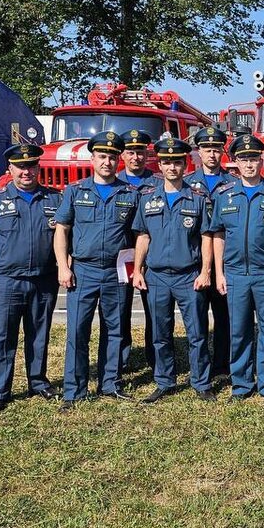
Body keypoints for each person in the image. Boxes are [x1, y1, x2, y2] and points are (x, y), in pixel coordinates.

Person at [0, 143, 62, 413]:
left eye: (31, 165)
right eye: (20, 167)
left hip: (44, 279)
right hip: (8, 280)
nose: (26, 171)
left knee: (39, 334)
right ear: (9, 169)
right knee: (2, 336)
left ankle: (37, 380)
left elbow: (64, 234)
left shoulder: (54, 200)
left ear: (38, 167)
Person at [54, 132, 140, 411]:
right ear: (92, 159)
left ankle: (110, 384)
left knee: (114, 329)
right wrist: (63, 266)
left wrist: (135, 269)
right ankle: (74, 391)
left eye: (112, 157)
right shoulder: (75, 191)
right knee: (77, 331)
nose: (107, 162)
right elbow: (62, 230)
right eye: (102, 156)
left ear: (119, 160)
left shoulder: (130, 194)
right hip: (83, 271)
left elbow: (139, 235)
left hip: (116, 272)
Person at [207, 134, 264, 401]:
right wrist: (219, 273)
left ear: (261, 161)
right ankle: (242, 384)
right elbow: (217, 235)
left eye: (254, 158)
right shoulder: (225, 195)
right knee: (239, 331)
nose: (249, 164)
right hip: (235, 275)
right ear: (235, 162)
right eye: (244, 159)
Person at [130, 136, 216, 404]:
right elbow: (143, 236)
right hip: (156, 276)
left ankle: (201, 382)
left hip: (189, 275)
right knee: (159, 332)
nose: (172, 167)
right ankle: (164, 381)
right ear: (161, 165)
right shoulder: (147, 199)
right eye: (166, 162)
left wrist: (206, 271)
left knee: (197, 332)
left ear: (185, 163)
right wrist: (138, 269)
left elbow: (206, 237)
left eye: (177, 162)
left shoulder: (198, 199)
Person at [184, 126, 235, 376]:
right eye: (206, 149)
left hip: (226, 261)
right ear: (199, 152)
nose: (212, 154)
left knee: (225, 316)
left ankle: (222, 364)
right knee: (198, 317)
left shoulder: (233, 184)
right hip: (195, 260)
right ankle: (201, 364)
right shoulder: (187, 185)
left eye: (216, 149)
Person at [113, 128, 156, 379]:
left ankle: (155, 359)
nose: (136, 157)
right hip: (120, 256)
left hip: (151, 256)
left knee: (154, 311)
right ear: (123, 155)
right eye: (130, 152)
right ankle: (120, 359)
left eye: (140, 152)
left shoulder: (158, 183)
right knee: (120, 310)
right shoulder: (115, 181)